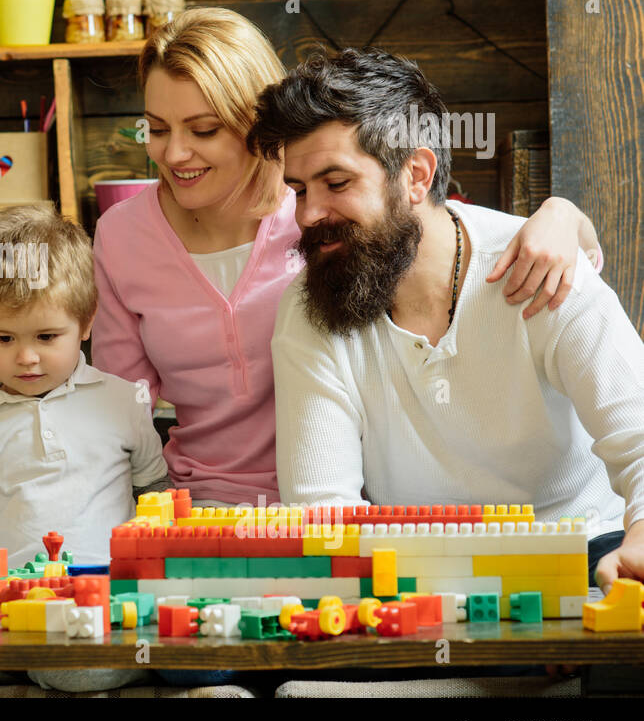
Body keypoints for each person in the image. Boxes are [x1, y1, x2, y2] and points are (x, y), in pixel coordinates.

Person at [0, 8, 602, 511]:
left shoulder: (321, 214)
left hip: (350, 499)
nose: (174, 154)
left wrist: (565, 215)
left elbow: (435, 231)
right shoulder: (122, 237)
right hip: (195, 505)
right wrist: (0, 421)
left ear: (259, 125)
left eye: (203, 129)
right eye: (157, 129)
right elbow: (111, 409)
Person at [253, 47, 644, 588]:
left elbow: (639, 436)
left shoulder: (541, 263)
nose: (307, 214)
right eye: (298, 190)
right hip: (410, 567)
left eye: (336, 183)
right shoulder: (308, 305)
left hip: (576, 544)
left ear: (416, 173)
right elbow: (324, 515)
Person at [0, 202, 163, 692]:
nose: (25, 358)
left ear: (86, 322)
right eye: (3, 337)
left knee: (72, 666)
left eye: (47, 336)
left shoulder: (122, 403)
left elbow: (157, 497)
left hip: (96, 610)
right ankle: (16, 660)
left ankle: (75, 661)